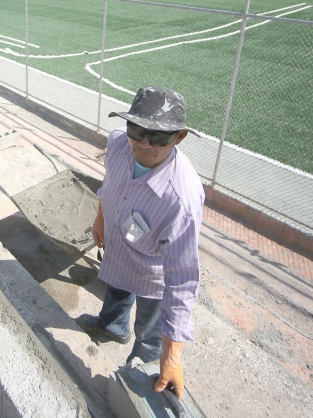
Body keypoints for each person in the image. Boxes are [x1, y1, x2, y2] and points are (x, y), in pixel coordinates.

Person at [76, 86, 203, 400]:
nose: (145, 143)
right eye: (138, 130)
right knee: (116, 291)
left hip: (151, 274)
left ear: (179, 137)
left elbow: (183, 278)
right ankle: (112, 326)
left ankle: (140, 370)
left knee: (149, 329)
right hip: (119, 249)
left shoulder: (181, 200)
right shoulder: (119, 141)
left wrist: (173, 355)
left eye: (158, 137)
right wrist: (101, 219)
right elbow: (109, 187)